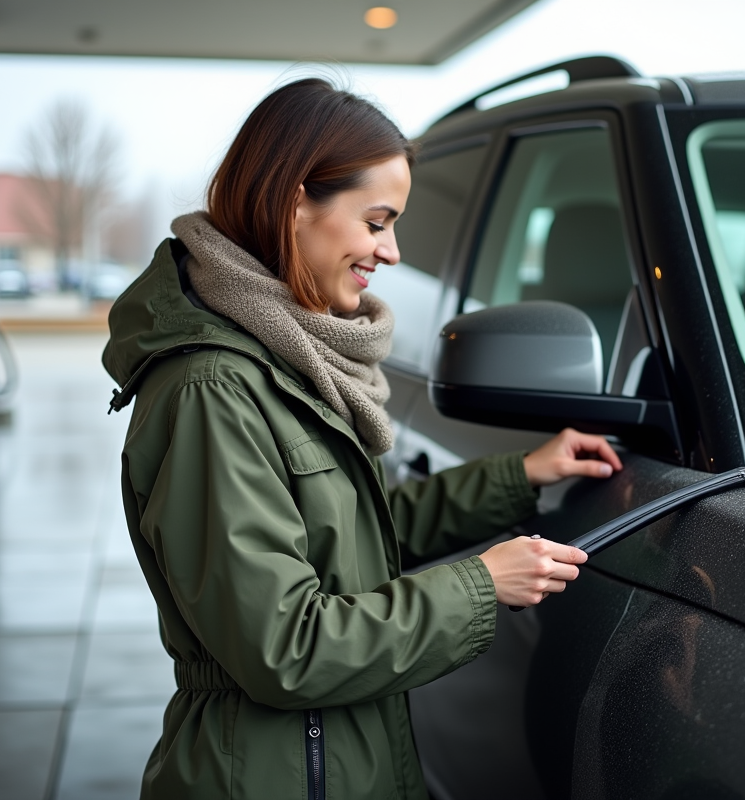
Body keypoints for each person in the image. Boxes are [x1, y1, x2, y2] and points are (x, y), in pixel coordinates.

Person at [102, 78, 623, 800]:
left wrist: (520, 475)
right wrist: (480, 585)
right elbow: (285, 646)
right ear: (294, 202)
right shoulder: (213, 390)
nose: (394, 251)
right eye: (377, 221)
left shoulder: (291, 360)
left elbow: (357, 541)